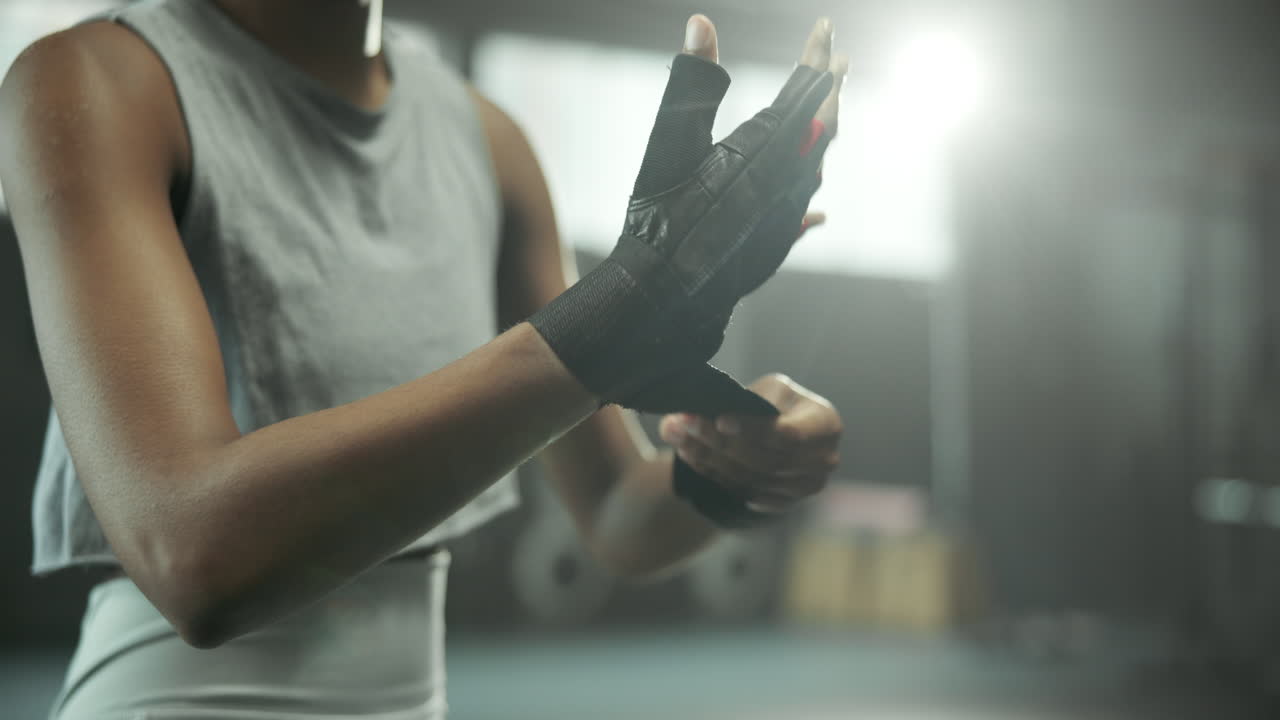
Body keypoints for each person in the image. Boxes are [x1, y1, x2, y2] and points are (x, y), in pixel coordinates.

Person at [0, 1, 848, 717]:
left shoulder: (488, 140)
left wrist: (736, 465)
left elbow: (619, 518)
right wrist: (627, 306)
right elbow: (192, 555)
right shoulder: (96, 82)